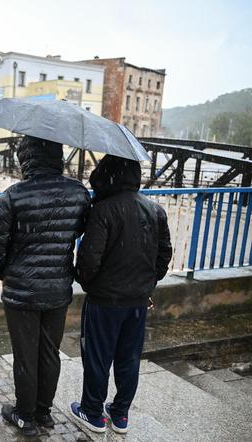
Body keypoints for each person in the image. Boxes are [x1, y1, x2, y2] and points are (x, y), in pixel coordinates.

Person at [0, 135, 90, 437]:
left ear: (27, 158)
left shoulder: (14, 196)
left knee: (25, 354)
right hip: (57, 289)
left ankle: (24, 415)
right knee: (49, 352)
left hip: (22, 291)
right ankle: (44, 412)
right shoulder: (79, 194)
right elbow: (83, 231)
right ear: (57, 157)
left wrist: (3, 272)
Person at [69, 155, 172, 434]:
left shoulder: (103, 210)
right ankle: (120, 413)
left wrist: (86, 282)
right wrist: (146, 285)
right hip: (138, 301)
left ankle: (92, 412)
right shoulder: (155, 210)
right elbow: (164, 256)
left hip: (105, 301)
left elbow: (89, 261)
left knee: (97, 357)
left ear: (106, 175)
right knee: (129, 359)